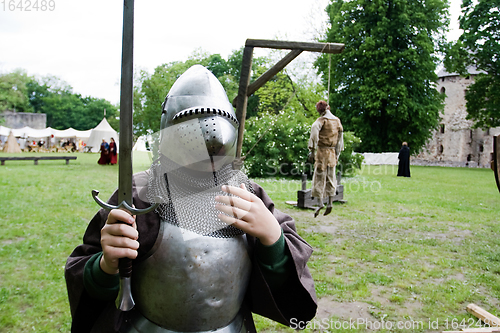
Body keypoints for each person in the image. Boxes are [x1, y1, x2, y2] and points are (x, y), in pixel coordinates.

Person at [65, 65, 317, 333]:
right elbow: (86, 275)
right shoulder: (139, 195)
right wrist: (106, 265)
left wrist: (273, 238)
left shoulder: (248, 195)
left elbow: (286, 284)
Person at [308, 100, 343, 218]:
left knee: (319, 177)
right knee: (331, 177)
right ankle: (330, 202)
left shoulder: (321, 121)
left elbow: (314, 132)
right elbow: (340, 139)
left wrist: (312, 151)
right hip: (332, 152)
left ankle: (320, 203)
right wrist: (337, 154)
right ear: (328, 107)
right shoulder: (337, 121)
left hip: (322, 152)